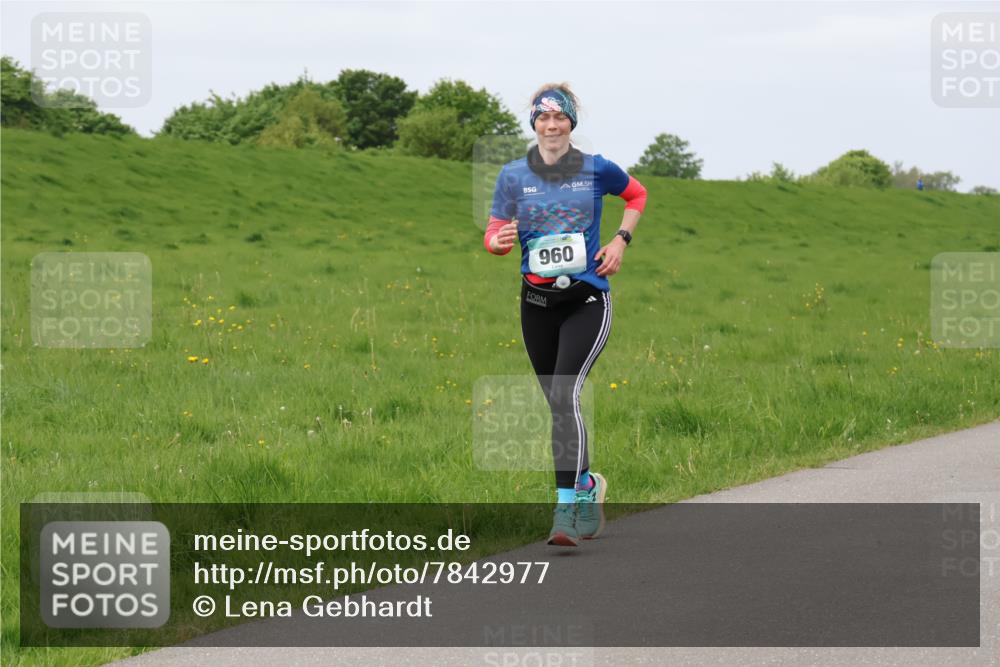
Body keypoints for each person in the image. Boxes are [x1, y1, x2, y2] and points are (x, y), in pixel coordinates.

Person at [483, 83, 647, 546]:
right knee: (559, 403)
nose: (551, 126)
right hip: (536, 303)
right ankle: (588, 484)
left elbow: (637, 196)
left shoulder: (597, 170)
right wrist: (496, 242)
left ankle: (565, 508)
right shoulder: (513, 175)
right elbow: (496, 232)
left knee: (564, 393)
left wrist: (619, 241)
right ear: (533, 123)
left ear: (572, 123)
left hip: (586, 299)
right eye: (543, 119)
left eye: (560, 119)